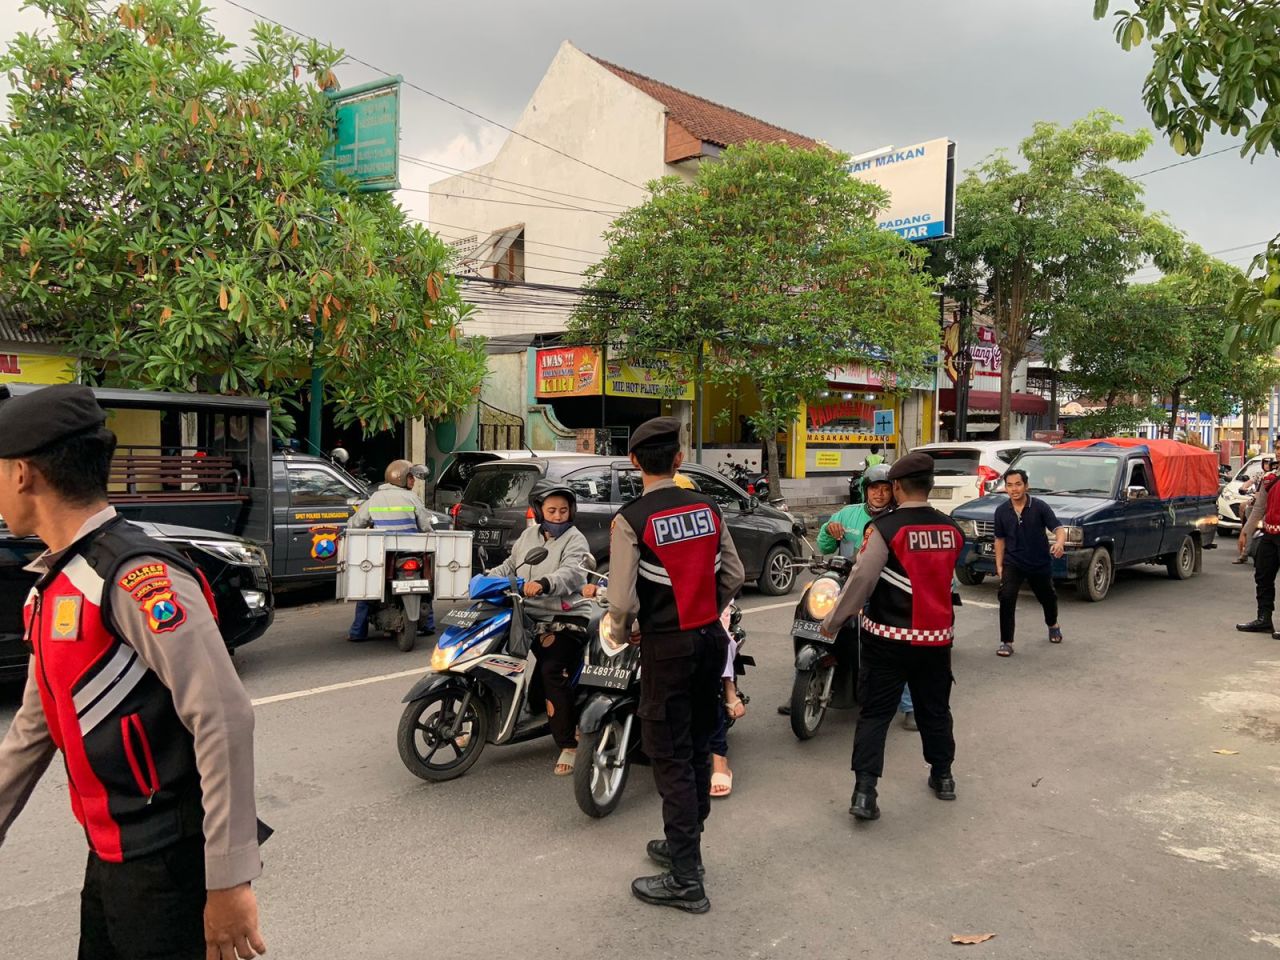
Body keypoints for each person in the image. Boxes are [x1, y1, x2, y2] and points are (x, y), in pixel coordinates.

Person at [0, 384, 267, 958]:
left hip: (167, 867)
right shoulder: (54, 585)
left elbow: (223, 716)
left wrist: (228, 878)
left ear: (23, 473)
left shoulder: (134, 576)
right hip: (111, 858)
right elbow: (34, 727)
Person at [608, 417, 745, 913]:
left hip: (666, 647)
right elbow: (734, 574)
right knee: (696, 747)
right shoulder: (709, 509)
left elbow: (621, 604)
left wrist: (626, 634)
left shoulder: (632, 519)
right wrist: (706, 608)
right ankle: (685, 845)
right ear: (680, 459)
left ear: (635, 462)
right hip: (710, 639)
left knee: (668, 754)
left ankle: (687, 878)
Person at [820, 452, 964, 822]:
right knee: (935, 710)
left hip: (887, 640)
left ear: (897, 487)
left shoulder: (885, 529)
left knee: (875, 714)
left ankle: (865, 792)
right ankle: (943, 776)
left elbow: (862, 580)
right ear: (930, 486)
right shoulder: (951, 530)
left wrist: (833, 622)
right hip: (936, 641)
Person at [483, 479, 591, 773]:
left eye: (563, 511)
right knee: (493, 660)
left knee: (551, 669)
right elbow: (510, 566)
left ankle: (568, 743)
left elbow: (572, 573)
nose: (558, 516)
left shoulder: (575, 540)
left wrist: (544, 583)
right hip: (526, 614)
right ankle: (486, 720)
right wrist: (485, 579)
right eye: (552, 510)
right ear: (540, 510)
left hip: (565, 617)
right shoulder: (529, 535)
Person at [348, 459, 438, 641]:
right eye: (411, 478)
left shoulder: (375, 499)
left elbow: (356, 523)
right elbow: (425, 526)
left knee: (369, 589)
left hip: (383, 553)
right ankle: (428, 624)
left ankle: (358, 632)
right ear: (401, 478)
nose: (413, 482)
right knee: (426, 586)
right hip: (411, 552)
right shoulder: (412, 498)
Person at [993, 468, 1067, 657]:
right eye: (1009, 485)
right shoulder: (1001, 511)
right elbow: (999, 540)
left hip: (1039, 562)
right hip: (1013, 562)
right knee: (1007, 597)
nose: (1014, 489)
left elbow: (1058, 528)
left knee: (1047, 597)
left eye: (1018, 484)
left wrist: (1059, 543)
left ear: (1026, 486)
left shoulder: (1040, 507)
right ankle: (1006, 642)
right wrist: (999, 565)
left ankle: (1053, 624)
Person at [1237, 458, 1280, 636]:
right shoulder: (1270, 478)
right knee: (1262, 575)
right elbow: (1259, 508)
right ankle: (1264, 619)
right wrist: (1245, 532)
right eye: (1278, 447)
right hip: (1270, 535)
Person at [709, 607, 746, 799]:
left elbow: (732, 578)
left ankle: (719, 761)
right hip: (657, 616)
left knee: (716, 641)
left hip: (703, 610)